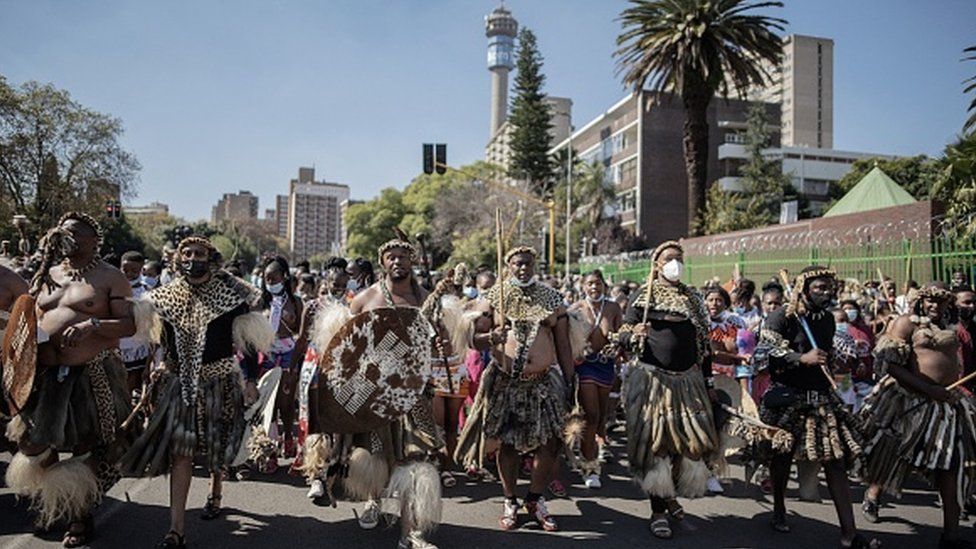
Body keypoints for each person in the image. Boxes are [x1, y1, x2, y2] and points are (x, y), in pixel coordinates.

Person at [119, 235, 271, 548]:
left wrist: (252, 380)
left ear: (210, 258)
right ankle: (176, 529)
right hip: (178, 384)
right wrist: (156, 367)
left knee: (216, 447)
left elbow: (253, 340)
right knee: (182, 453)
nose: (191, 258)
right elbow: (159, 339)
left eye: (198, 253)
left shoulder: (230, 294)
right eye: (186, 253)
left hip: (219, 382)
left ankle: (215, 491)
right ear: (177, 259)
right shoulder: (165, 297)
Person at [5, 212, 134, 547]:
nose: (66, 236)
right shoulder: (45, 274)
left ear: (94, 240)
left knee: (85, 447)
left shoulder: (111, 278)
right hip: (46, 375)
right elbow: (27, 319)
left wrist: (93, 326)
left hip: (92, 374)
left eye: (75, 232)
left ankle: (79, 516)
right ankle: (57, 499)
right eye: (62, 231)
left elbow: (129, 325)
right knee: (32, 444)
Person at [336, 237, 453, 549]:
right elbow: (348, 348)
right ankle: (373, 499)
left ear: (411, 261)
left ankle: (409, 533)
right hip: (376, 393)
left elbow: (441, 342)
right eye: (391, 257)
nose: (397, 261)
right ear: (382, 262)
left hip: (415, 393)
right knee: (376, 453)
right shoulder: (364, 300)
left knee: (413, 459)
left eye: (403, 256)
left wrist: (439, 340)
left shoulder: (427, 299)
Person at [752, 266, 878, 548]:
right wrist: (801, 357)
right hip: (787, 398)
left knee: (835, 462)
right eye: (818, 288)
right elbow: (764, 352)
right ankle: (780, 508)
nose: (825, 292)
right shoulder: (780, 316)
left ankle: (849, 533)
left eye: (827, 288)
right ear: (804, 288)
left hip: (821, 399)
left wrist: (833, 362)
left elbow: (827, 353)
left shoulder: (826, 321)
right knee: (781, 459)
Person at [457, 246, 577, 533]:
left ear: (534, 265)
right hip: (506, 381)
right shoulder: (494, 297)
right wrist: (491, 336)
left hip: (543, 383)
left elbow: (563, 345)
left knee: (550, 444)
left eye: (527, 263)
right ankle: (510, 499)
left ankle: (535, 499)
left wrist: (571, 381)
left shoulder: (551, 298)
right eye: (516, 264)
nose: (522, 268)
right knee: (507, 444)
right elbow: (472, 339)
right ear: (508, 265)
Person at [610, 241, 718, 540]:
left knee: (688, 447)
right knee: (658, 447)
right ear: (657, 264)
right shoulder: (643, 296)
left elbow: (704, 347)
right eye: (669, 259)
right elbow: (621, 337)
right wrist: (634, 334)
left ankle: (670, 495)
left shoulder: (693, 298)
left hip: (689, 383)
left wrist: (708, 383)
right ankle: (658, 510)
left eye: (679, 259)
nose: (675, 263)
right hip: (653, 382)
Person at [860, 283, 976, 548]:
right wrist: (926, 388)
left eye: (941, 301)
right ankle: (873, 495)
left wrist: (943, 392)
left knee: (952, 463)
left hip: (945, 404)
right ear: (921, 301)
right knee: (893, 455)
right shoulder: (905, 323)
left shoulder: (952, 326)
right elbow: (890, 365)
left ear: (949, 303)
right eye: (929, 300)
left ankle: (951, 535)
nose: (934, 305)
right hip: (908, 400)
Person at [568, 270, 622, 489]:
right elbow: (567, 339)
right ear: (583, 285)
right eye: (590, 284)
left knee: (601, 416)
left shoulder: (613, 308)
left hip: (606, 366)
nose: (594, 288)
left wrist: (617, 344)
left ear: (604, 285)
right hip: (585, 366)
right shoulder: (576, 309)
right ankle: (589, 467)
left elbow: (621, 333)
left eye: (598, 283)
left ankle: (589, 448)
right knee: (591, 414)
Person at [259, 256, 304, 462]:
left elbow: (301, 333)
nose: (270, 282)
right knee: (269, 402)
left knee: (286, 401)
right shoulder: (260, 302)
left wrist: (296, 360)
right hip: (266, 355)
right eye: (266, 279)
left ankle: (288, 437)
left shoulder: (296, 303)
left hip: (288, 355)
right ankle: (269, 447)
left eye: (274, 278)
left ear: (284, 277)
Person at [118, 251, 153, 395]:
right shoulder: (113, 289)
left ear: (141, 270)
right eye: (125, 270)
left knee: (134, 386)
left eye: (134, 271)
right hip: (116, 347)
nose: (129, 274)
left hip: (139, 348)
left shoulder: (147, 292)